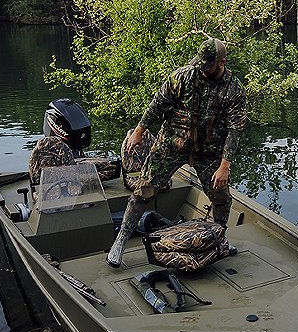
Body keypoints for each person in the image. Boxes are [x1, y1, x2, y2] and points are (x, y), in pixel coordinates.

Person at [106, 37, 247, 268]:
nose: (201, 69)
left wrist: (224, 166)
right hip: (172, 143)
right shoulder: (184, 75)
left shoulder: (234, 90)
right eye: (200, 63)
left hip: (208, 151)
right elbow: (158, 103)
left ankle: (219, 239)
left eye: (207, 66)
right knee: (144, 189)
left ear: (222, 63)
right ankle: (120, 241)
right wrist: (139, 131)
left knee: (221, 197)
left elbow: (235, 130)